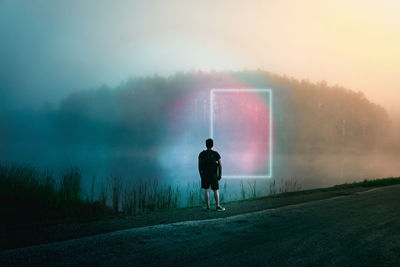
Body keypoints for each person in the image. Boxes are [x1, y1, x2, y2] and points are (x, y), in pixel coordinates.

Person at [198, 138, 225, 211]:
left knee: (206, 190)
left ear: (206, 145)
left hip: (205, 175)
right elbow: (220, 165)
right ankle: (218, 206)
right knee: (216, 190)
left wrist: (201, 176)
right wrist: (220, 175)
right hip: (213, 175)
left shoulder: (202, 154)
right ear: (212, 144)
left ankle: (208, 207)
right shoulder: (216, 154)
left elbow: (199, 166)